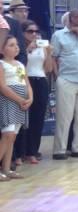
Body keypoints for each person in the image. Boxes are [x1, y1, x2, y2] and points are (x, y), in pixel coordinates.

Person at [51, 9, 78, 159]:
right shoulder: (58, 35)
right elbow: (53, 57)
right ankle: (60, 150)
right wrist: (57, 77)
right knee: (65, 116)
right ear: (72, 19)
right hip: (67, 79)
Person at [0, 36, 32, 180]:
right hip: (9, 101)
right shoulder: (1, 64)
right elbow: (2, 86)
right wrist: (19, 99)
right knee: (7, 135)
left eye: (16, 44)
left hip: (22, 102)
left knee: (12, 137)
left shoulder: (20, 64)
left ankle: (7, 169)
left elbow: (26, 83)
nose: (16, 47)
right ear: (2, 49)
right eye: (11, 45)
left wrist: (30, 98)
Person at [22, 20, 53, 164]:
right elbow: (20, 65)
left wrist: (48, 52)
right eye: (30, 31)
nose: (34, 34)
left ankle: (33, 151)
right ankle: (20, 151)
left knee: (38, 118)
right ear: (23, 33)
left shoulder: (42, 46)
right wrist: (28, 49)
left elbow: (48, 69)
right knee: (24, 118)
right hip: (25, 81)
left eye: (36, 31)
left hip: (40, 80)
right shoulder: (20, 46)